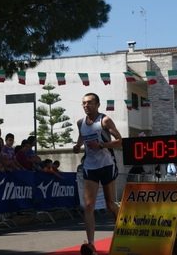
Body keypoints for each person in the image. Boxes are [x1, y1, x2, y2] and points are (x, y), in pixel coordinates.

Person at [73, 93, 122, 255]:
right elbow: (81, 136)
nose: (86, 105)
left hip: (106, 164)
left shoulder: (104, 120)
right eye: (84, 103)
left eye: (90, 103)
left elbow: (119, 141)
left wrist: (101, 145)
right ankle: (91, 244)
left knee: (109, 204)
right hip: (90, 166)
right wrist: (77, 146)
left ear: (98, 105)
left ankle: (123, 232)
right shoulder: (80, 123)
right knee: (88, 205)